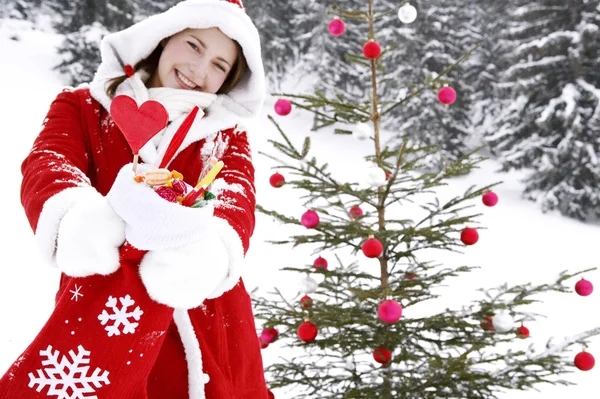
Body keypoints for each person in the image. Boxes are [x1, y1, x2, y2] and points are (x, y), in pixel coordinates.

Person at [0, 0, 270, 398]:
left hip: (205, 315)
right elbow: (48, 163)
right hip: (104, 307)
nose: (200, 70)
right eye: (194, 46)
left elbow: (236, 201)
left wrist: (205, 257)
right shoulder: (82, 107)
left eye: (219, 65)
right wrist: (83, 221)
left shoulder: (226, 136)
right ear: (163, 39)